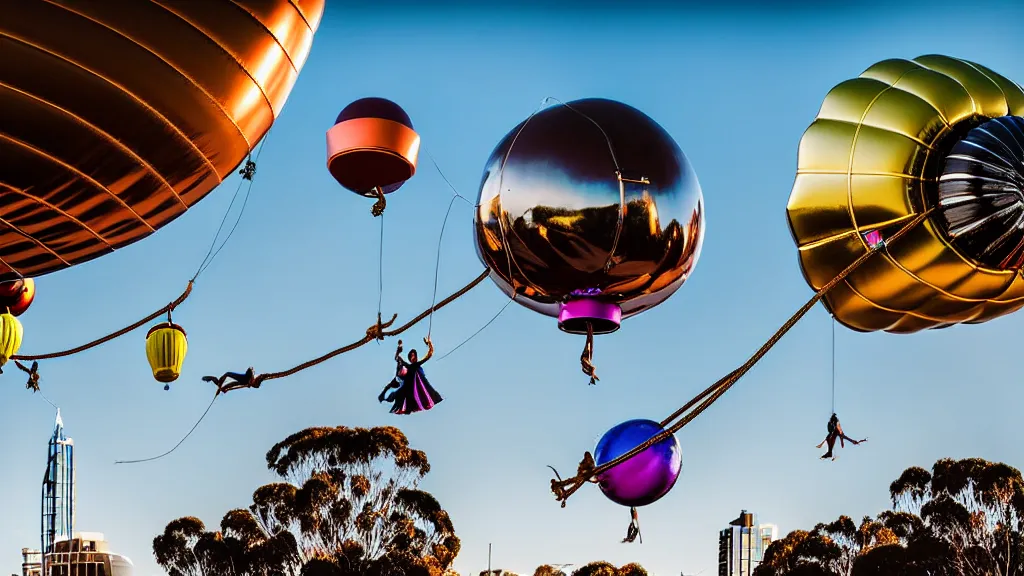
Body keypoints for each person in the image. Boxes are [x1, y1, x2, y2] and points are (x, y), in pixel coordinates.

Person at [378, 337, 443, 415]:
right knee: (397, 393)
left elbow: (429, 355)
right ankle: (385, 397)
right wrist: (399, 348)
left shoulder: (416, 365)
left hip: (415, 387)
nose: (413, 357)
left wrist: (429, 343)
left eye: (414, 356)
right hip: (407, 387)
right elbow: (397, 358)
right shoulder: (408, 366)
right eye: (411, 356)